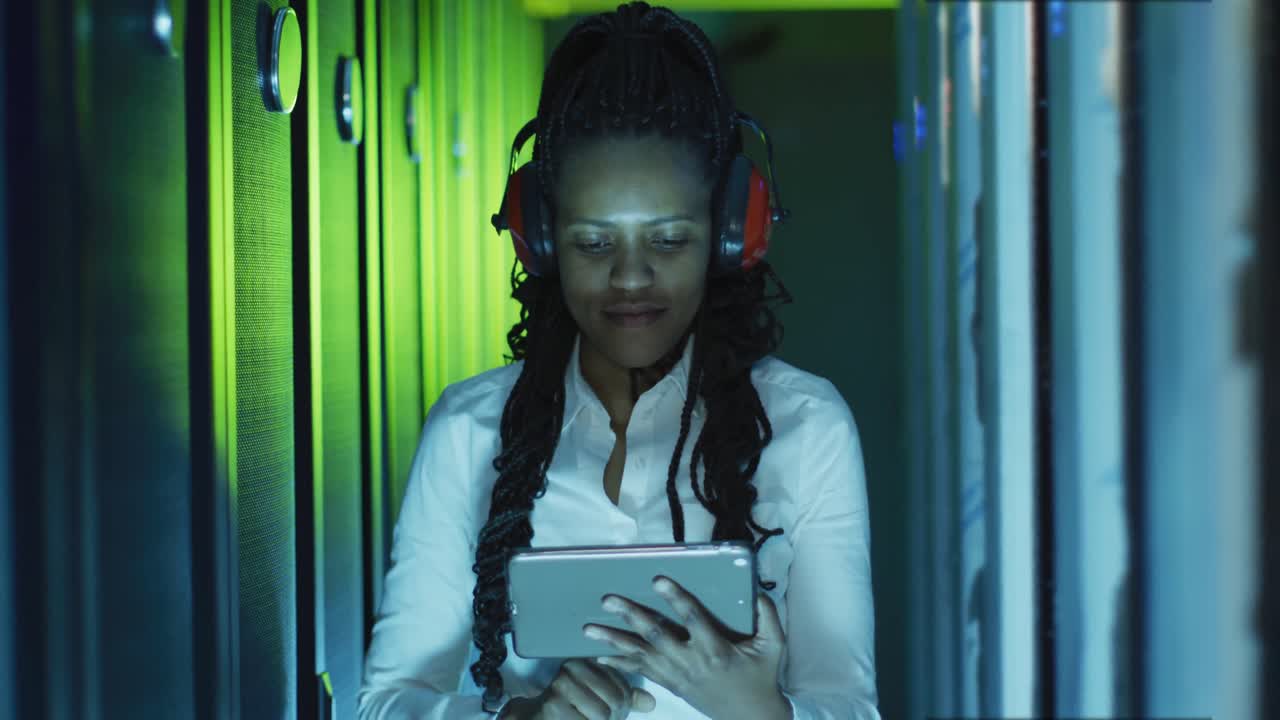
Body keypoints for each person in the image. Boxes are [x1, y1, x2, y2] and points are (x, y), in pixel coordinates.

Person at [357, 3, 879, 719]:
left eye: (668, 240)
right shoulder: (467, 429)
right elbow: (384, 703)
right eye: (594, 244)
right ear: (539, 240)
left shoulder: (807, 427)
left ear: (731, 235)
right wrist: (519, 718)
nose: (631, 278)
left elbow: (849, 705)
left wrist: (760, 711)